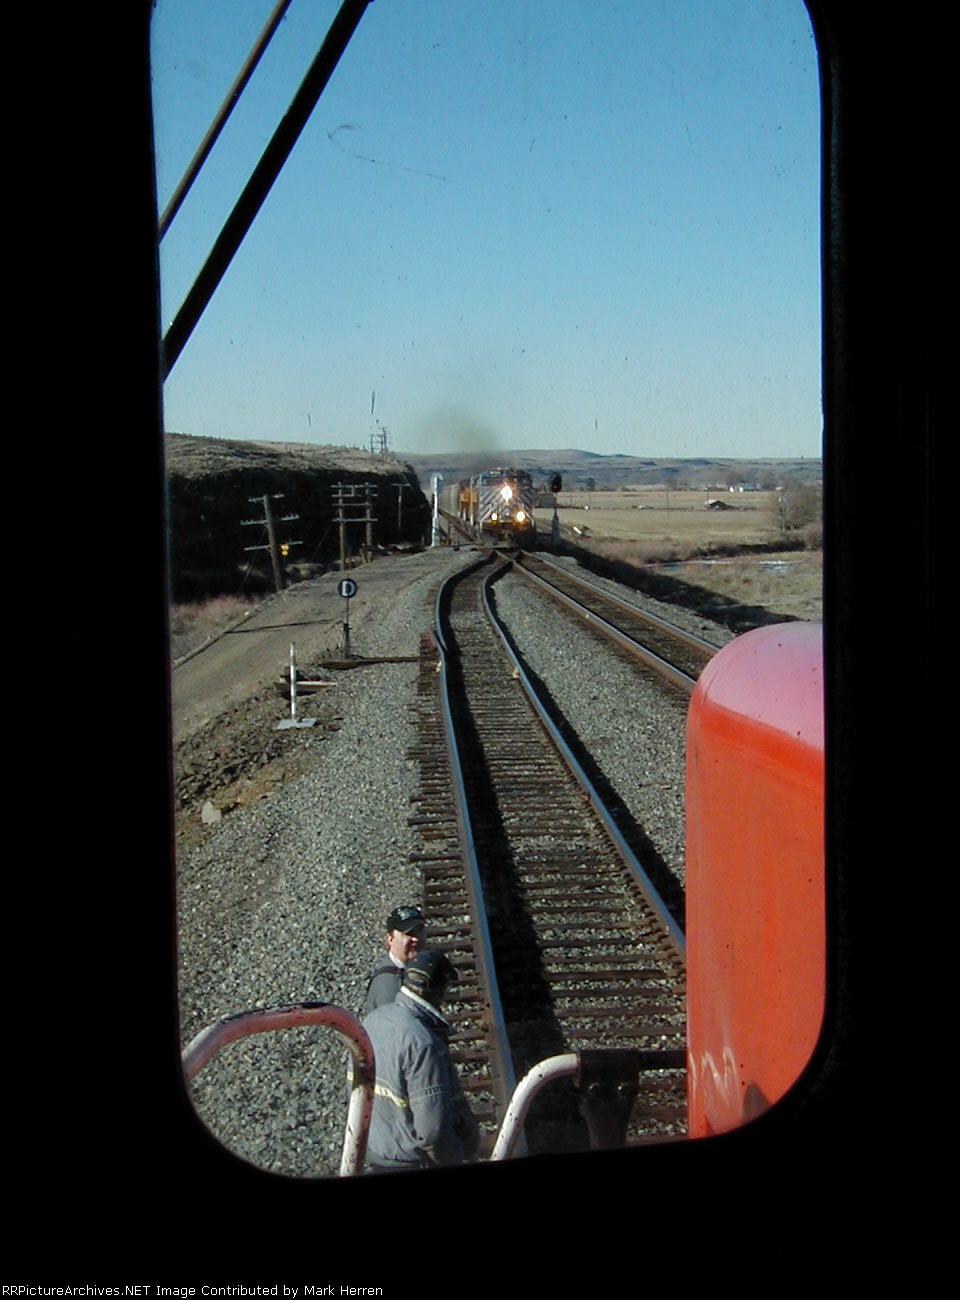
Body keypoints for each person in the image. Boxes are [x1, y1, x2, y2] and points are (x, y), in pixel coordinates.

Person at [362, 948, 480, 1172]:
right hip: (410, 1161)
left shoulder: (371, 1021)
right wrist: (456, 1158)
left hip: (376, 1153)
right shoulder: (422, 1042)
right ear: (439, 990)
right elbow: (432, 1131)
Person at [363, 905, 427, 1014]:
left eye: (419, 931)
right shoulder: (388, 985)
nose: (416, 939)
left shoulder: (410, 970)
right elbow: (394, 1029)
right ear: (390, 939)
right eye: (409, 933)